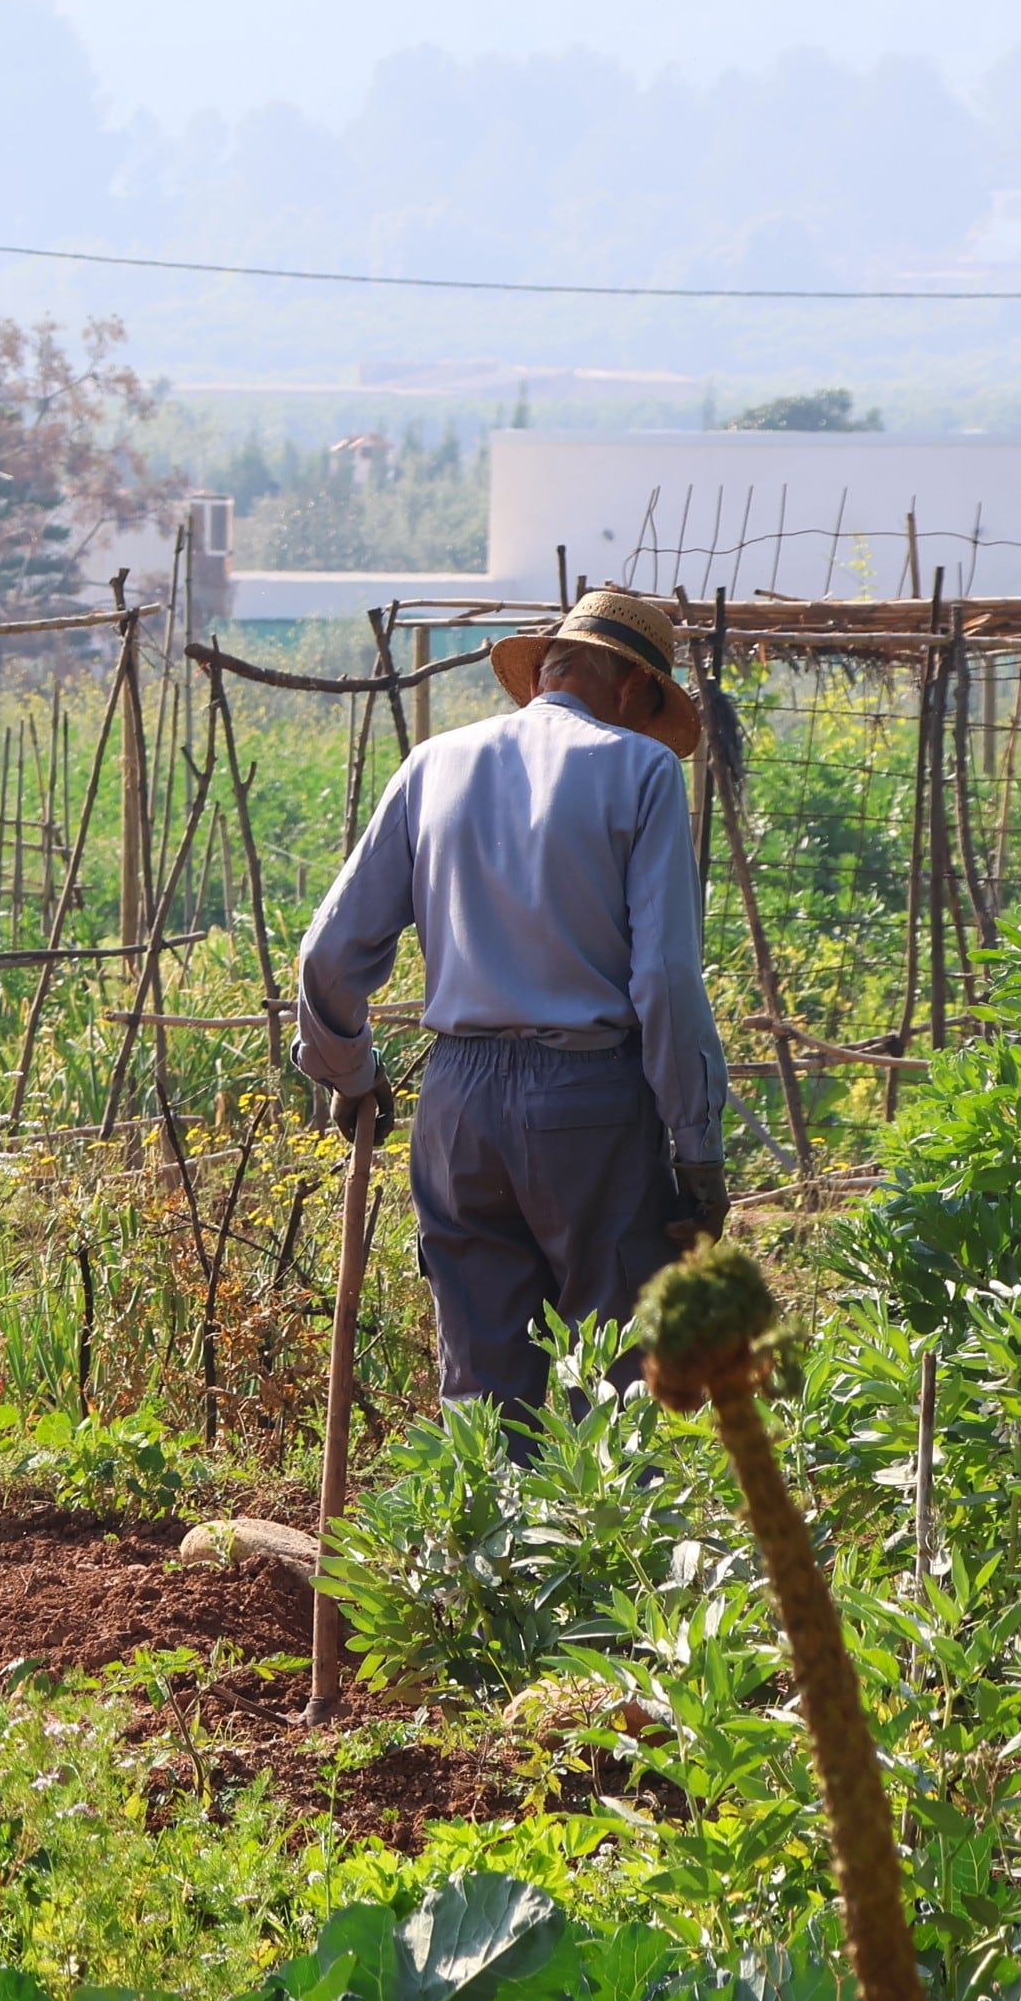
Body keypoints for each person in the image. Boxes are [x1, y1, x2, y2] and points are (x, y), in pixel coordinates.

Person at [294, 587, 731, 1414]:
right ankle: (593, 1548)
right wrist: (697, 1147)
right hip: (589, 1102)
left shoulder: (435, 763)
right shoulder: (642, 770)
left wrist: (349, 1073)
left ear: (546, 671)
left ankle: (482, 1542)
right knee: (612, 1374)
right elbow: (666, 980)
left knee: (481, 1379)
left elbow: (329, 953)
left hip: (456, 1106)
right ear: (636, 688)